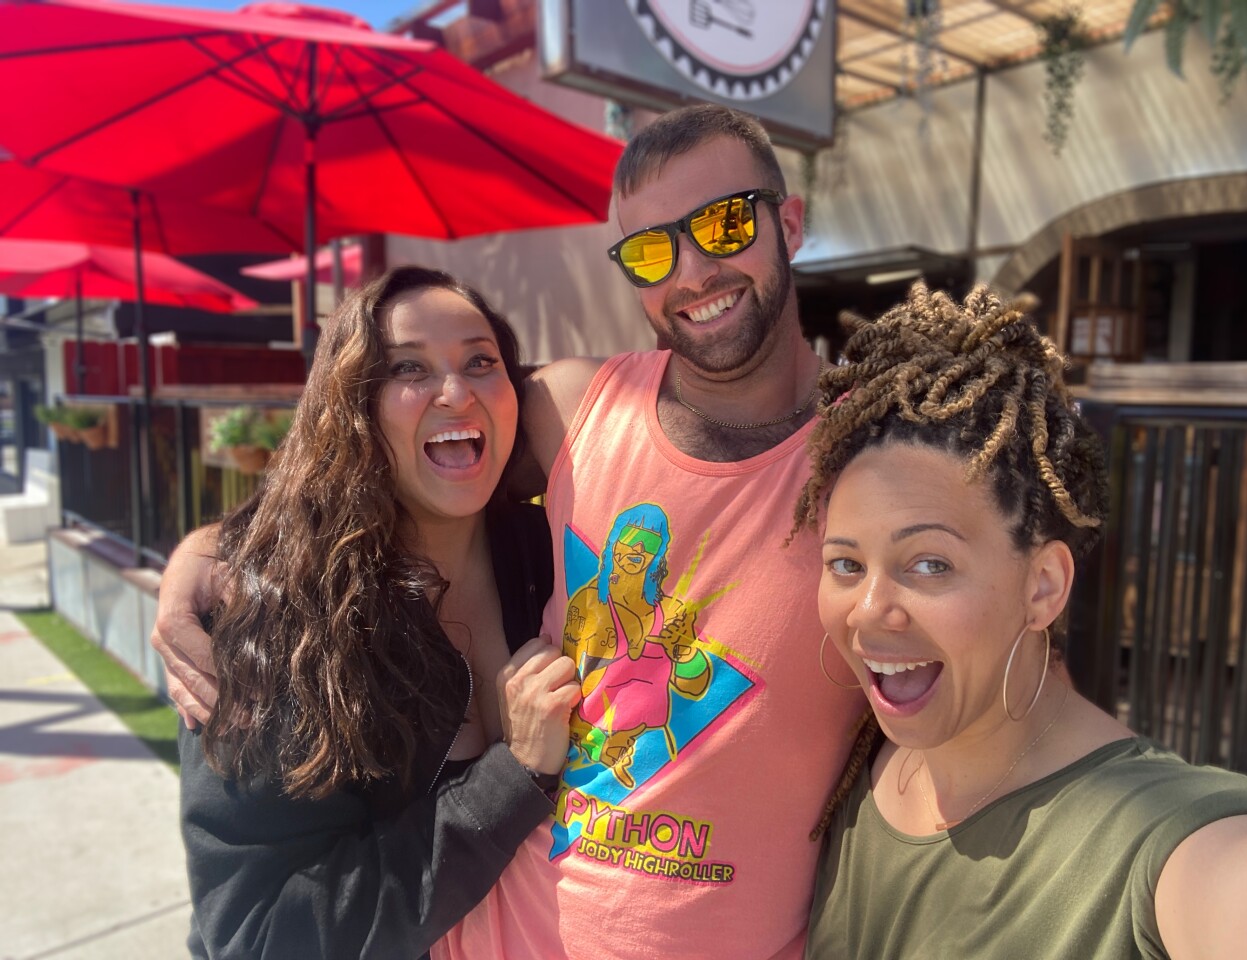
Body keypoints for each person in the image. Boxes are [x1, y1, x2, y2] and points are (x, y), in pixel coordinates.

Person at [155, 104, 864, 959]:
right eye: (650, 250)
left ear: (787, 222)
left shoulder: (875, 461)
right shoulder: (577, 413)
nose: (693, 268)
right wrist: (211, 559)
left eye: (722, 224)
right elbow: (259, 932)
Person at [794, 283, 1247, 959]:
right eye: (845, 565)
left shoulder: (1160, 841)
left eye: (930, 564)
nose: (871, 609)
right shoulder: (859, 775)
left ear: (1043, 586)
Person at [178, 266, 581, 959]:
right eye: (408, 368)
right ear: (354, 405)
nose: (455, 392)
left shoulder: (553, 558)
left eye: (481, 362)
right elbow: (258, 933)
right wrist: (510, 779)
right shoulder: (274, 620)